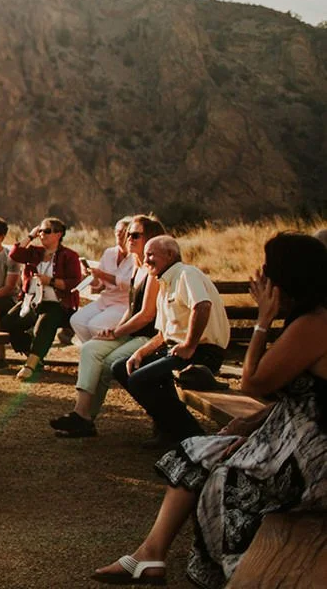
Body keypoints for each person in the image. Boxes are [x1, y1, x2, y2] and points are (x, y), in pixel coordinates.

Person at [93, 233, 327, 587]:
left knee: (224, 481)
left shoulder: (315, 324)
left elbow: (253, 383)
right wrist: (252, 422)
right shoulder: (308, 319)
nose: (260, 276)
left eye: (268, 268)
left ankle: (233, 574)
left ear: (287, 276)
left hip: (313, 454)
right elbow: (305, 394)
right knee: (196, 450)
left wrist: (263, 321)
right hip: (288, 434)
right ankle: (150, 554)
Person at [111, 233, 231, 448]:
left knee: (140, 379)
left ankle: (195, 438)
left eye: (150, 255)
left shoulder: (187, 273)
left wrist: (189, 345)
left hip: (203, 352)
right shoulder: (165, 283)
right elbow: (164, 335)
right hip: (176, 350)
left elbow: (202, 306)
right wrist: (139, 353)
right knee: (121, 367)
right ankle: (170, 429)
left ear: (169, 254)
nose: (145, 260)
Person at [50, 214, 163, 439]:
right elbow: (131, 310)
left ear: (150, 238)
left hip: (148, 337)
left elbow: (146, 315)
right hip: (130, 332)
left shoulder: (153, 271)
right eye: (128, 233)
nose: (128, 238)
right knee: (90, 348)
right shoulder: (137, 268)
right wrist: (114, 330)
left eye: (135, 235)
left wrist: (117, 331)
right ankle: (80, 415)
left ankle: (160, 416)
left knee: (109, 364)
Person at [8, 216, 85, 381]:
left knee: (45, 323)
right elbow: (15, 254)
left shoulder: (69, 255)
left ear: (59, 234)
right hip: (32, 302)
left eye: (47, 231)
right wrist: (30, 236)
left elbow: (74, 282)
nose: (42, 234)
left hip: (58, 304)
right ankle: (35, 355)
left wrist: (49, 281)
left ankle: (30, 365)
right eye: (40, 231)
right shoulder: (34, 252)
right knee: (9, 321)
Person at [72, 217, 137, 342]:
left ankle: (105, 352)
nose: (119, 234)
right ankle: (92, 351)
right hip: (105, 300)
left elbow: (130, 283)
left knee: (95, 325)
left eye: (123, 231)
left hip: (124, 305)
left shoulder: (136, 257)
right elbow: (100, 285)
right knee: (77, 321)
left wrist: (102, 275)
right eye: (117, 230)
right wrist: (92, 277)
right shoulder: (109, 253)